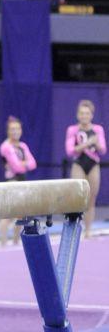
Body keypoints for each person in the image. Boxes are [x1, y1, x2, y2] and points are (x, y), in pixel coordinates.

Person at [65, 100, 107, 238]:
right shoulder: (73, 130)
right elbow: (70, 151)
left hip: (93, 165)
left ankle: (88, 230)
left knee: (91, 199)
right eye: (82, 113)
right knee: (78, 200)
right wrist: (88, 143)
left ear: (91, 115)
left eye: (87, 113)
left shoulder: (98, 129)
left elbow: (103, 150)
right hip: (79, 164)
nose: (84, 116)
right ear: (78, 115)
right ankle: (75, 230)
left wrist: (97, 144)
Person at [0, 116, 37, 245]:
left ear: (21, 130)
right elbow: (16, 167)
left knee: (21, 215)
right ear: (8, 131)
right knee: (8, 215)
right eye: (12, 129)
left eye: (17, 129)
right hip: (12, 181)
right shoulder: (5, 146)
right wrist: (24, 163)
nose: (15, 131)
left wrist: (23, 164)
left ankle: (16, 241)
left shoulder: (22, 145)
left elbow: (33, 163)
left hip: (22, 181)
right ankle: (3, 243)